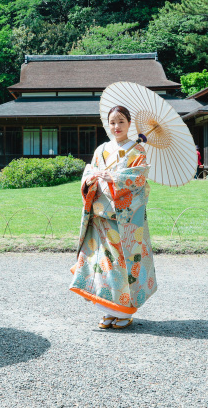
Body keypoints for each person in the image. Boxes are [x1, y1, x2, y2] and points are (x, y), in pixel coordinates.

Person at [69, 105, 157, 329]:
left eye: (121, 122)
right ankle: (107, 310)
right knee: (102, 264)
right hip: (100, 216)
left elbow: (139, 180)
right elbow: (89, 173)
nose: (116, 126)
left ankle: (124, 312)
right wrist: (92, 177)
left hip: (124, 219)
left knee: (121, 264)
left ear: (129, 124)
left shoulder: (137, 152)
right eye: (112, 122)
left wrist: (115, 177)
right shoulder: (101, 150)